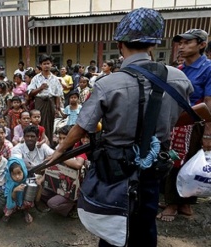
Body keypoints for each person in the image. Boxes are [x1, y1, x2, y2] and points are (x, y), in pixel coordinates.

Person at [48, 8, 192, 247]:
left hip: (116, 166)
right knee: (146, 219)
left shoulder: (108, 84)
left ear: (121, 44)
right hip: (155, 162)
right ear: (153, 45)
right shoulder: (179, 78)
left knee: (113, 218)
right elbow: (180, 115)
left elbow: (83, 126)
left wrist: (60, 150)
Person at [159, 28, 211, 222]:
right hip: (177, 122)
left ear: (202, 44)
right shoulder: (179, 70)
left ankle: (176, 205)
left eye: (188, 42)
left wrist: (208, 133)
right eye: (180, 43)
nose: (181, 46)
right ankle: (181, 203)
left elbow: (208, 101)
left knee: (184, 163)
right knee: (176, 161)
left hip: (196, 123)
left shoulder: (208, 68)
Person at [39, 126, 86, 217]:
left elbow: (78, 164)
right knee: (41, 191)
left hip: (71, 189)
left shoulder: (79, 149)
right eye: (60, 138)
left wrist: (60, 158)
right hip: (58, 184)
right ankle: (60, 202)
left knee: (52, 203)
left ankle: (73, 208)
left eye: (65, 139)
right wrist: (42, 179)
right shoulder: (59, 149)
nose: (61, 141)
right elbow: (51, 166)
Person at [27, 54, 63, 143]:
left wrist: (57, 108)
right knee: (38, 122)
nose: (46, 66)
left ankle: (49, 143)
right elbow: (30, 93)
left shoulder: (55, 79)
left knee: (50, 124)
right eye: (44, 64)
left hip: (50, 102)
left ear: (51, 64)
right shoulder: (36, 78)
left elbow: (58, 95)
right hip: (40, 102)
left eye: (48, 63)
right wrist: (40, 88)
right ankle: (39, 142)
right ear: (40, 65)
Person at [2, 157, 34, 224]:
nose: (17, 176)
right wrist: (14, 191)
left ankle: (25, 211)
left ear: (23, 171)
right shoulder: (10, 183)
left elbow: (30, 196)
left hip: (23, 201)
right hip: (14, 202)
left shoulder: (27, 181)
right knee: (9, 206)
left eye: (19, 173)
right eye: (14, 174)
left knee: (28, 202)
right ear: (10, 175)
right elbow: (10, 198)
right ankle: (10, 213)